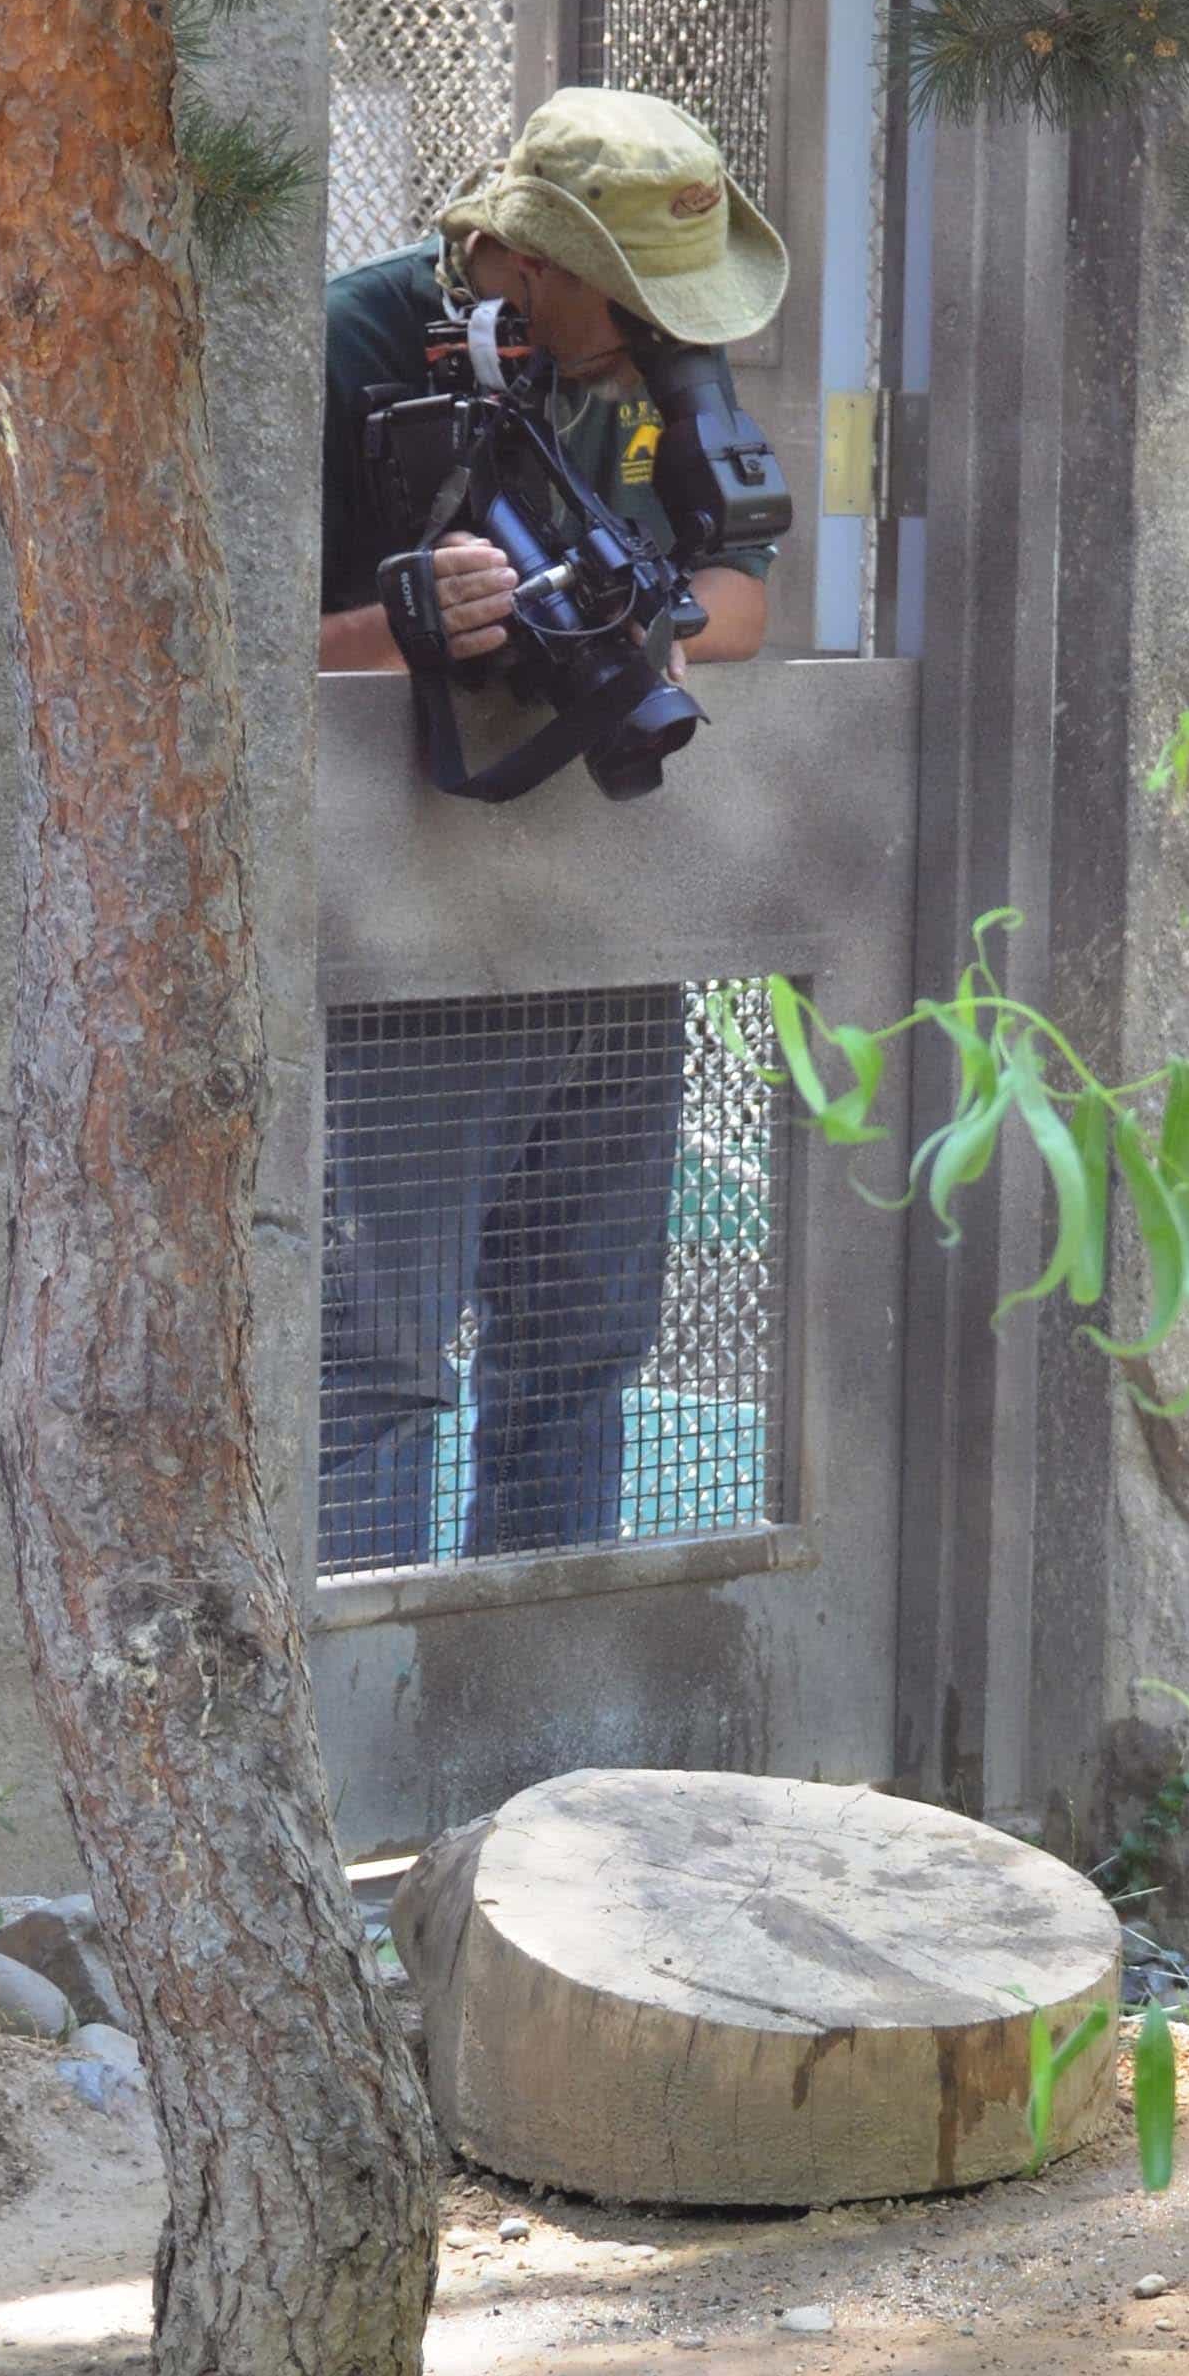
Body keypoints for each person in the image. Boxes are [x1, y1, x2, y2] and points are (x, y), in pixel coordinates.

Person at [316, 89, 790, 1571]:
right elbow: (211, 650)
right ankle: (357, 1684)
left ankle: (553, 1691)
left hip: (616, 916)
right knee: (380, 1351)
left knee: (585, 1339)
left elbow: (743, 595)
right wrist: (414, 628)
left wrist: (614, 626)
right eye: (637, 300)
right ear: (529, 261)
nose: (662, 334)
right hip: (400, 941)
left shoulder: (662, 357)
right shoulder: (349, 346)